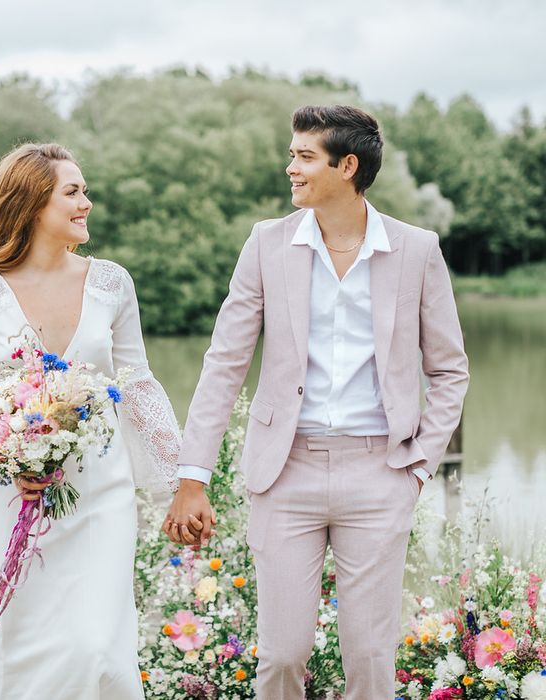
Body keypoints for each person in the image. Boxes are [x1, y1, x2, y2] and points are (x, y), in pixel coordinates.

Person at [163, 106, 469, 699]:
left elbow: (450, 369)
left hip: (382, 471)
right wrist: (192, 474)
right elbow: (224, 362)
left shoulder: (417, 249)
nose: (290, 168)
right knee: (280, 655)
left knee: (371, 657)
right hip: (285, 472)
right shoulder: (266, 243)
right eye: (293, 155)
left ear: (346, 166)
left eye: (304, 156)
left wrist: (419, 465)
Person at [0, 143, 180, 699]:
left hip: (100, 493)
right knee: (8, 642)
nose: (87, 201)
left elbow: (135, 383)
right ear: (34, 203)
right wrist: (4, 456)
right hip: (12, 495)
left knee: (95, 646)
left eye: (84, 190)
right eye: (73, 191)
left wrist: (180, 477)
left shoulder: (112, 282)